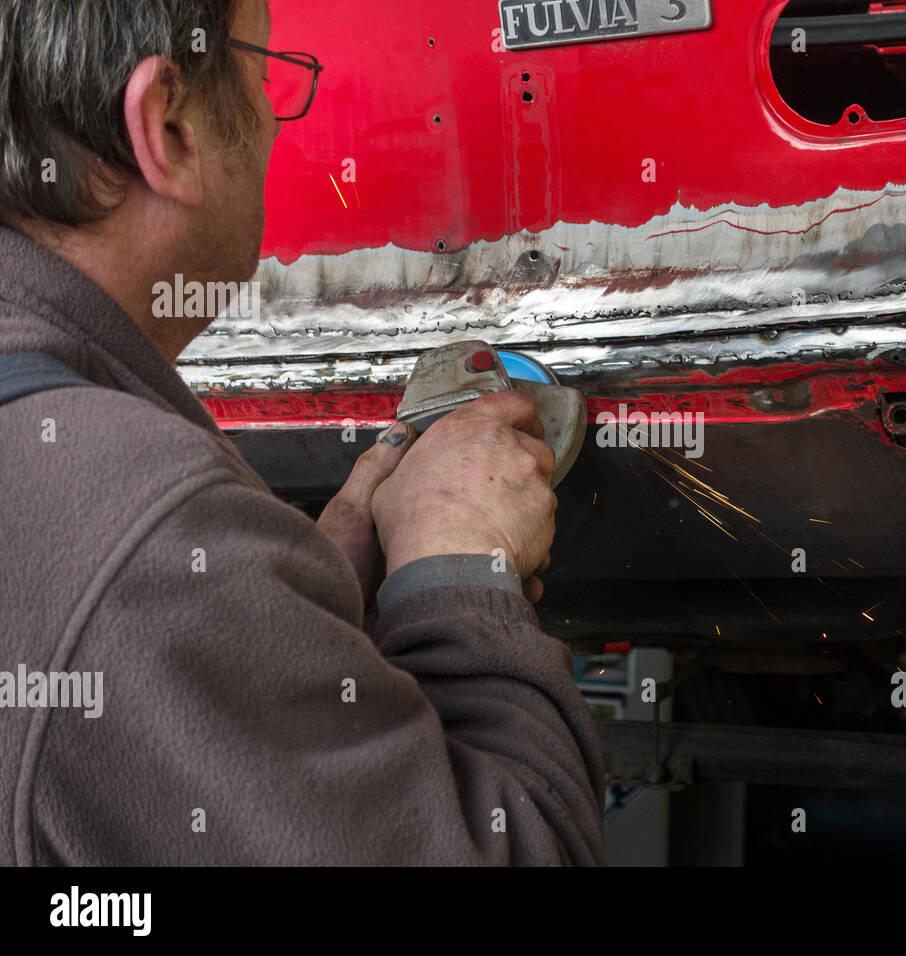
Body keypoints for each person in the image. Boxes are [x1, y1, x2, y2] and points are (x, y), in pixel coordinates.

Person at [0, 0, 606, 865]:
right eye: (264, 74)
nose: (282, 124)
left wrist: (291, 595)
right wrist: (457, 579)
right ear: (166, 127)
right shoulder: (141, 543)